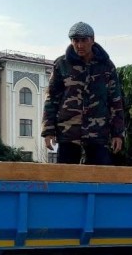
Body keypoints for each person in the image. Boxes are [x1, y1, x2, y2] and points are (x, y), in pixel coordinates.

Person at [42, 22, 125, 165]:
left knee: (101, 177)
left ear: (92, 39)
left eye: (83, 40)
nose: (79, 45)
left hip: (98, 132)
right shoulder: (61, 64)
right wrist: (48, 131)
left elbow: (115, 100)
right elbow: (51, 99)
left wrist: (118, 133)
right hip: (68, 131)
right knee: (66, 179)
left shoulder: (106, 66)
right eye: (75, 40)